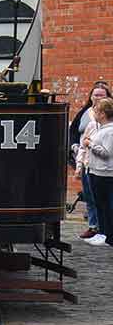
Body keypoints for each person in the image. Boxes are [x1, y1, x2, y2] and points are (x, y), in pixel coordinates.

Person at [73, 82, 111, 239]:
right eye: (95, 95)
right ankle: (94, 226)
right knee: (90, 197)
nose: (97, 98)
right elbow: (75, 132)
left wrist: (91, 145)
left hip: (104, 167)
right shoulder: (86, 114)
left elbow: (106, 151)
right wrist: (78, 159)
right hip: (89, 163)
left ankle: (105, 230)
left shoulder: (108, 126)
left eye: (101, 95)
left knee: (104, 200)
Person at [80, 97, 113, 246]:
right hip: (96, 171)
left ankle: (108, 235)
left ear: (103, 114)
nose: (95, 114)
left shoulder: (110, 131)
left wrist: (90, 144)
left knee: (107, 206)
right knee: (99, 204)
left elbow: (106, 152)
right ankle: (102, 233)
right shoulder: (102, 129)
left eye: (97, 111)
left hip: (105, 174)